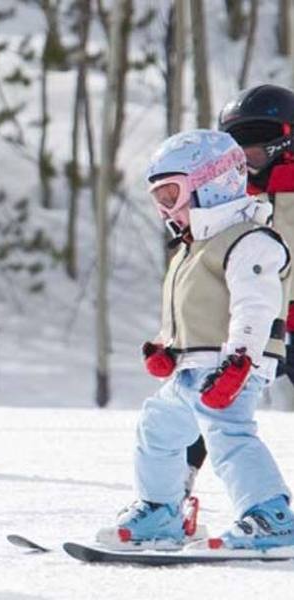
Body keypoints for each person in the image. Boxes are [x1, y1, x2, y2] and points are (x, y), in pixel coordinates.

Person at [107, 129, 293, 550]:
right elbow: (191, 311)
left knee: (228, 435)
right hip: (195, 370)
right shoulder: (194, 247)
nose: (164, 208)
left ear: (212, 183)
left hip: (233, 367)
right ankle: (161, 510)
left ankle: (271, 515)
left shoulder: (250, 240)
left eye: (171, 194)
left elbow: (255, 305)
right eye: (158, 198)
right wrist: (166, 348)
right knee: (158, 428)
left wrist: (239, 360)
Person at [183, 84, 294, 490]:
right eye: (237, 144)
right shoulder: (231, 197)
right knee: (205, 400)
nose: (246, 157)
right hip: (247, 321)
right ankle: (174, 492)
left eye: (256, 144)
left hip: (291, 320)